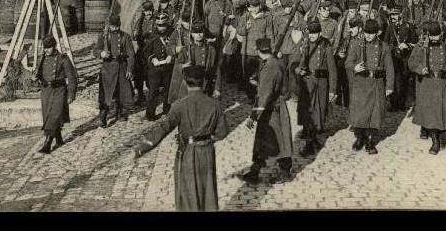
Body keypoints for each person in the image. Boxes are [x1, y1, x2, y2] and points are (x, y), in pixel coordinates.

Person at [133, 65, 229, 210]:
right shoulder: (215, 105)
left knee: (187, 192)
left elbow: (163, 128)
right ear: (204, 82)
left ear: (184, 82)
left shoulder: (179, 105)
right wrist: (207, 139)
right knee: (207, 189)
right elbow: (222, 132)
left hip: (187, 152)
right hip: (207, 152)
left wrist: (142, 147)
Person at [238, 38, 294, 184]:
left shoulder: (270, 67)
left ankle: (285, 172)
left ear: (258, 51)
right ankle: (254, 172)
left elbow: (264, 94)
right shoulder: (274, 62)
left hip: (272, 109)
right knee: (264, 140)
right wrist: (259, 82)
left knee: (279, 141)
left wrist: (253, 116)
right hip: (273, 106)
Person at [409, 20, 446, 155]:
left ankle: (439, 135)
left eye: (436, 36)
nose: (434, 39)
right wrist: (420, 69)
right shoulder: (422, 47)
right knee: (431, 115)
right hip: (428, 84)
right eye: (431, 36)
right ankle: (435, 141)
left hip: (443, 85)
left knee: (441, 114)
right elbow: (411, 62)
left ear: (441, 34)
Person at [345, 19, 394, 155]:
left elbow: (390, 68)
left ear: (377, 33)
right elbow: (348, 63)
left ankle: (371, 140)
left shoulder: (384, 47)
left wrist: (389, 85)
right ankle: (360, 138)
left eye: (371, 33)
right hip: (361, 82)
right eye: (366, 33)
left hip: (377, 83)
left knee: (375, 113)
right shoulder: (357, 44)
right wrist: (354, 67)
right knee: (360, 112)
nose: (368, 36)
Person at [296, 20, 338, 156]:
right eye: (310, 33)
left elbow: (332, 69)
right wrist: (299, 70)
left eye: (314, 33)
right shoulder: (305, 43)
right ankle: (309, 143)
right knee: (309, 113)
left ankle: (312, 140)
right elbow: (297, 63)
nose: (312, 36)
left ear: (319, 33)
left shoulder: (326, 45)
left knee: (317, 113)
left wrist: (332, 90)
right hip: (307, 82)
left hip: (321, 84)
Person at [36, 36, 78, 154]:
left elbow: (72, 77)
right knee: (48, 115)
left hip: (59, 90)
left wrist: (71, 94)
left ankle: (47, 144)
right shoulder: (42, 58)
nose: (46, 50)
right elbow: (39, 73)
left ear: (54, 46)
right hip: (46, 91)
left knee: (54, 114)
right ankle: (59, 138)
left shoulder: (63, 59)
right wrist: (35, 77)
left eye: (49, 47)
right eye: (45, 48)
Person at [92, 14, 135, 127]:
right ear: (109, 25)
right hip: (108, 68)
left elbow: (131, 54)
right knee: (105, 93)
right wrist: (101, 53)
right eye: (112, 26)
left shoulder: (125, 36)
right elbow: (96, 50)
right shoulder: (103, 36)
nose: (115, 28)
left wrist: (130, 69)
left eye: (116, 26)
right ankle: (103, 116)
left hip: (121, 67)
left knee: (121, 91)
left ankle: (120, 112)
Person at [143, 13, 177, 121]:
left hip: (168, 68)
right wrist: (153, 59)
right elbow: (146, 51)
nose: (161, 28)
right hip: (155, 69)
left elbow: (177, 47)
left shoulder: (173, 34)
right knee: (153, 92)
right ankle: (150, 114)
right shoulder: (152, 36)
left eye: (163, 25)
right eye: (159, 25)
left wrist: (171, 56)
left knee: (168, 90)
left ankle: (167, 110)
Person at [132, 0, 157, 107]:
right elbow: (134, 35)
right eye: (146, 11)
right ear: (143, 11)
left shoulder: (156, 20)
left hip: (152, 51)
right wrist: (135, 34)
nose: (148, 13)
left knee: (151, 75)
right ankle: (141, 96)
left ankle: (152, 97)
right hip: (142, 51)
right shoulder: (139, 21)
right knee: (138, 74)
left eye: (150, 11)